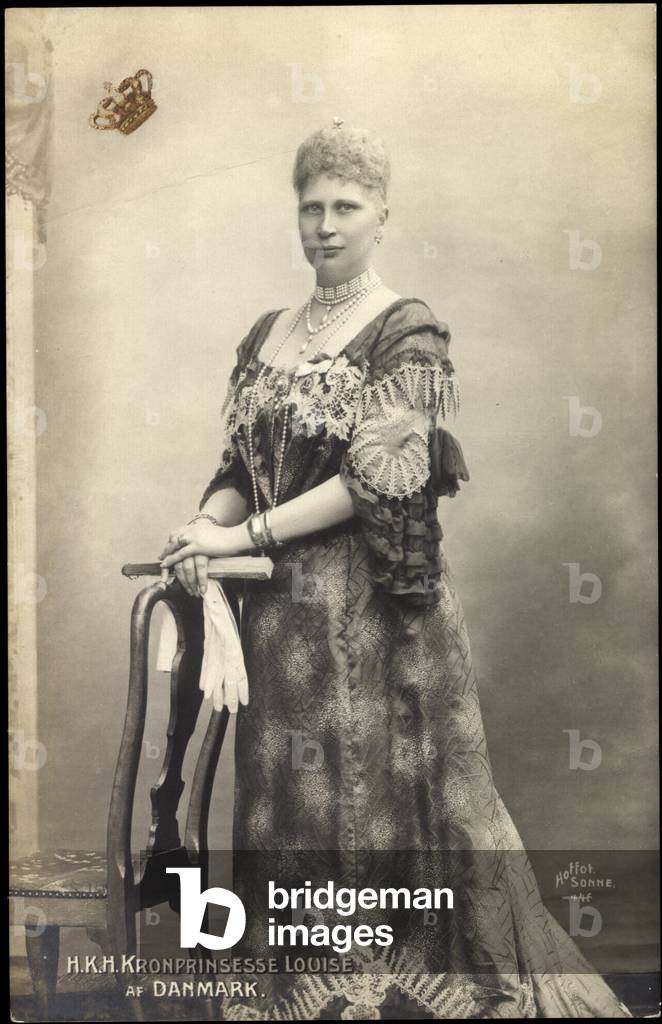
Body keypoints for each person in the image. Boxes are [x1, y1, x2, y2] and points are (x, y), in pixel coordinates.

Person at [159, 123, 631, 1019]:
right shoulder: (268, 332)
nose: (326, 226)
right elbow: (235, 466)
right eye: (312, 207)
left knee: (379, 808)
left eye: (346, 207)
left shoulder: (406, 330)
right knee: (289, 811)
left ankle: (407, 995)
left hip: (373, 619)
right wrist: (202, 524)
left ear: (383, 214)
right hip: (277, 624)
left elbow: (368, 479)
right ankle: (307, 996)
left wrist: (242, 532)